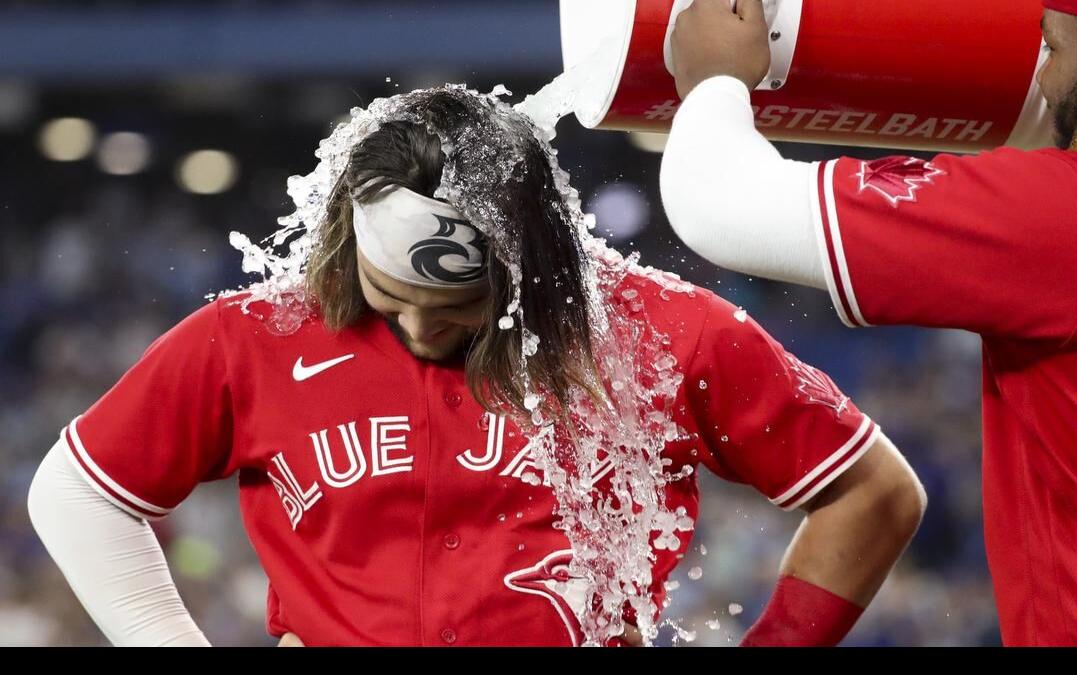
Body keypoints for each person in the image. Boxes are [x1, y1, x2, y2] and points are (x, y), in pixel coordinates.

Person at [28, 88, 925, 646]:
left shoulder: (661, 333)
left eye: (459, 310)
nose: (419, 327)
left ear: (537, 276)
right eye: (388, 296)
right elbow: (74, 489)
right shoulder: (258, 332)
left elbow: (875, 491)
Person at [661, 0, 1077, 646]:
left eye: (1054, 46)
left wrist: (714, 79)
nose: (1043, 74)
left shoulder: (1074, 217)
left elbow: (719, 202)